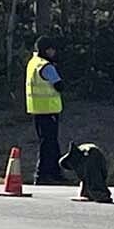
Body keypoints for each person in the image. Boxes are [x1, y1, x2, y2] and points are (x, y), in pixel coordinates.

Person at [25, 36, 66, 185]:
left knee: (49, 142)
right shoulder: (46, 66)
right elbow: (59, 85)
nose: (53, 52)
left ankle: (55, 173)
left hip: (37, 109)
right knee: (48, 143)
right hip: (49, 110)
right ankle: (42, 174)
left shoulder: (33, 63)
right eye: (51, 49)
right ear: (46, 50)